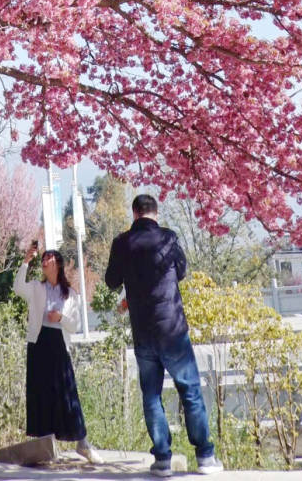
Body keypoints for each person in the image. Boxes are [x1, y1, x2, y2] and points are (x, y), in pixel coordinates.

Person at [104, 193, 221, 476]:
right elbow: (180, 271)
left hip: (143, 332)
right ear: (155, 213)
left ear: (134, 214)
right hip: (172, 329)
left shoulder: (122, 243)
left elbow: (111, 281)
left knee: (152, 396)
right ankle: (205, 457)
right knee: (190, 391)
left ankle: (163, 460)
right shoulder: (168, 238)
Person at [13, 238, 96, 463]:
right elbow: (17, 287)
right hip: (38, 344)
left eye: (48, 258)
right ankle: (45, 447)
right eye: (42, 259)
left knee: (67, 393)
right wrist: (25, 261)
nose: (44, 261)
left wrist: (61, 317)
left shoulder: (70, 294)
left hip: (59, 343)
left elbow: (75, 326)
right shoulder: (37, 288)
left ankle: (82, 442)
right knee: (41, 392)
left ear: (57, 263)